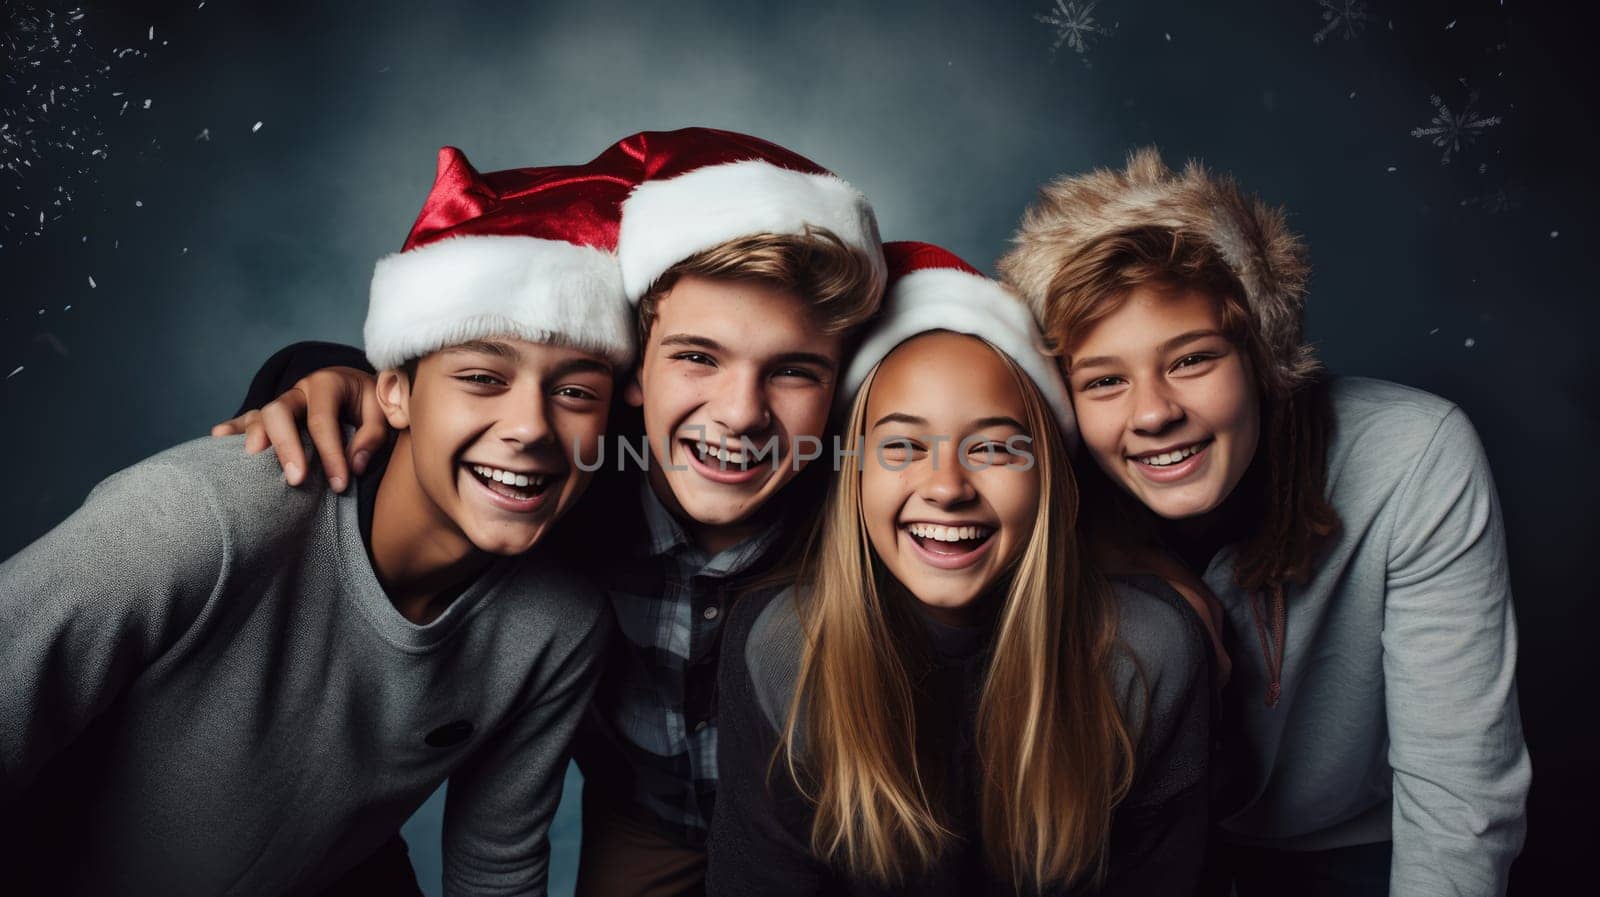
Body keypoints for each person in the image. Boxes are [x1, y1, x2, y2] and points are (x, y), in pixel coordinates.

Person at [212, 127, 888, 896]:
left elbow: (973, 408)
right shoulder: (565, 475)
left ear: (839, 390)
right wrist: (325, 371)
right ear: (632, 370)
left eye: (794, 372)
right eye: (697, 356)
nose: (739, 413)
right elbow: (458, 402)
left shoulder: (864, 496)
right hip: (644, 819)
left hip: (834, 835)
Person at [0, 146, 638, 895]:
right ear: (392, 392)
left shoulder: (558, 626)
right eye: (481, 378)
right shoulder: (198, 515)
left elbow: (496, 870)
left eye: (575, 394)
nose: (530, 426)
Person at [997, 148, 1531, 896]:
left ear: (1262, 355)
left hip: (1359, 845)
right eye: (1106, 380)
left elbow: (1460, 793)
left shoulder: (1413, 452)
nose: (1153, 413)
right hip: (1137, 855)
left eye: (1190, 360)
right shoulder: (1039, 490)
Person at [707, 242, 1212, 896]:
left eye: (996, 447)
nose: (947, 486)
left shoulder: (1148, 648)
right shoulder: (782, 644)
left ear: (1056, 482)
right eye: (902, 446)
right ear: (852, 477)